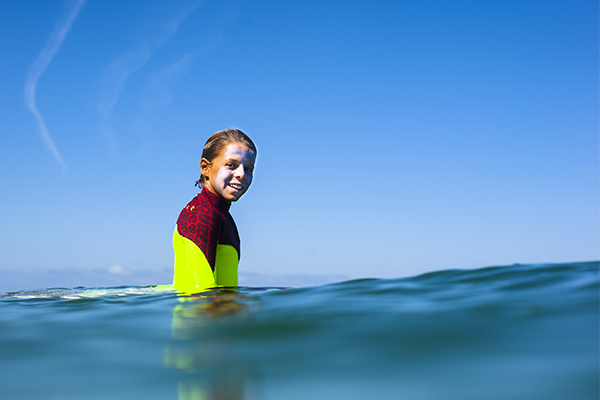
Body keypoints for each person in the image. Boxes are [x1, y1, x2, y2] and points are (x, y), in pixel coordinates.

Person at [172, 128, 257, 293]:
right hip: (200, 317)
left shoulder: (221, 216)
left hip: (220, 314)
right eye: (231, 165)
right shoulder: (203, 214)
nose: (241, 174)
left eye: (248, 169)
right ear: (205, 167)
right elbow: (201, 294)